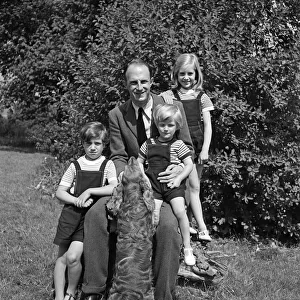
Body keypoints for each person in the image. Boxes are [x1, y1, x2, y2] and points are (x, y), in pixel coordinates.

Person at [79, 58, 193, 300]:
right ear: (126, 85)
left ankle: (164, 294)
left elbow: (188, 149)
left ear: (151, 82)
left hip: (163, 186)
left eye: (144, 81)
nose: (139, 87)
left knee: (168, 226)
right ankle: (93, 289)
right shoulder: (117, 115)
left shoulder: (172, 107)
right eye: (133, 82)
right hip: (131, 183)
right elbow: (119, 155)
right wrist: (127, 178)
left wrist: (176, 169)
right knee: (95, 215)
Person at [53, 122, 117, 300]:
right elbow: (60, 192)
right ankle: (59, 296)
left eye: (97, 143)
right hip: (71, 215)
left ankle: (71, 292)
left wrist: (90, 191)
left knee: (73, 257)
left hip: (89, 218)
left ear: (104, 145)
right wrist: (77, 200)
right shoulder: (75, 165)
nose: (93, 147)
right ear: (82, 144)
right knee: (62, 257)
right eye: (89, 143)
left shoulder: (107, 165)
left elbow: (114, 188)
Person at [160, 53, 214, 242]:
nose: (186, 78)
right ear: (176, 75)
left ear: (196, 74)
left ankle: (192, 225)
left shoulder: (202, 97)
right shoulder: (168, 96)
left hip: (197, 148)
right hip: (178, 149)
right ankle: (187, 226)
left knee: (194, 186)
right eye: (182, 73)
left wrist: (205, 149)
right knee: (182, 186)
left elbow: (208, 126)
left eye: (190, 73)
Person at [137, 103, 196, 266]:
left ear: (177, 126)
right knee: (153, 217)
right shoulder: (148, 143)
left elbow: (189, 164)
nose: (166, 129)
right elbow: (139, 161)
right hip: (154, 186)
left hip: (172, 185)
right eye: (162, 125)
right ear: (157, 124)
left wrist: (178, 179)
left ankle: (187, 246)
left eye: (170, 125)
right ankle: (149, 250)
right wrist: (144, 178)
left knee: (179, 212)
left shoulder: (179, 145)